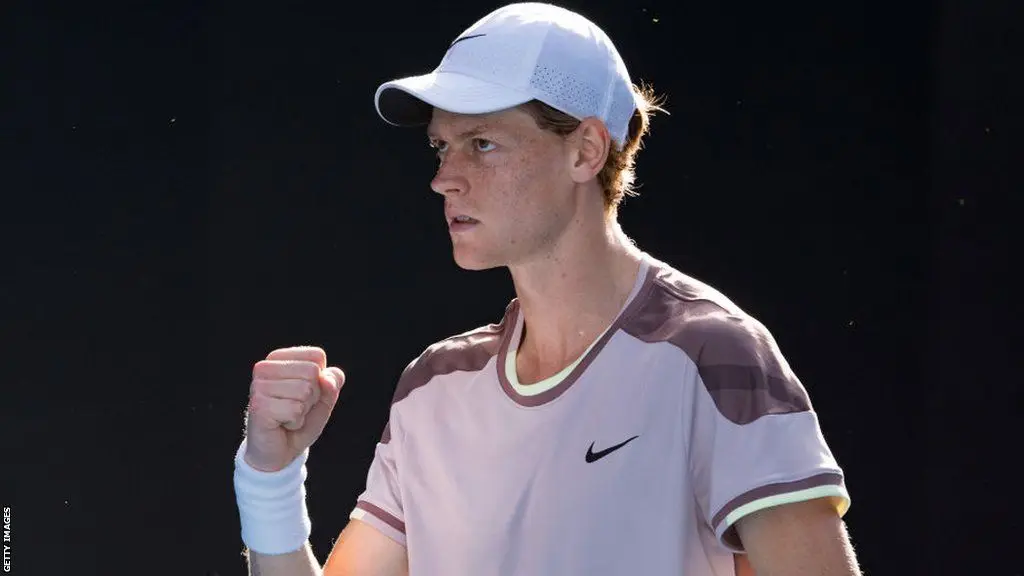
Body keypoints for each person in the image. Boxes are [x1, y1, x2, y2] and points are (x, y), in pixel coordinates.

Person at [232, 3, 863, 575]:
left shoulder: (712, 355)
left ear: (586, 151)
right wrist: (270, 475)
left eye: (482, 144)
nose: (444, 179)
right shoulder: (433, 386)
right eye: (441, 148)